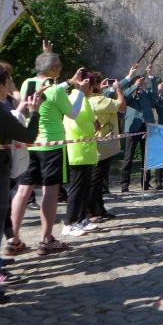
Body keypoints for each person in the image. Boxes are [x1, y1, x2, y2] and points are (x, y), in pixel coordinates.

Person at [0, 62, 42, 302]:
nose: (10, 86)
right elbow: (28, 136)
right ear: (0, 86)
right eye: (8, 82)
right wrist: (35, 112)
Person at [9, 50, 89, 256]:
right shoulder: (55, 90)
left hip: (30, 143)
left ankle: (13, 238)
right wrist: (80, 92)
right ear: (53, 68)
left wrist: (68, 83)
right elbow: (73, 113)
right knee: (50, 192)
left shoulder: (27, 83)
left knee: (23, 191)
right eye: (59, 65)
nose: (61, 68)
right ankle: (46, 239)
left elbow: (48, 91)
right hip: (52, 147)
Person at [61, 73, 100, 237]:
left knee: (84, 188)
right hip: (78, 150)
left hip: (87, 150)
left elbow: (90, 120)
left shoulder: (82, 98)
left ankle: (82, 218)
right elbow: (77, 121)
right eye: (92, 85)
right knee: (77, 189)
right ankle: (69, 222)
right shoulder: (75, 98)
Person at [88, 73, 126, 220]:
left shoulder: (89, 99)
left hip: (97, 145)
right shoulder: (100, 100)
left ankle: (99, 209)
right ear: (96, 85)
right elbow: (121, 105)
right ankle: (91, 211)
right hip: (103, 146)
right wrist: (118, 89)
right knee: (96, 180)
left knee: (98, 180)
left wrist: (100, 89)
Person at [121, 64, 156, 191]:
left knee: (146, 156)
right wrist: (135, 85)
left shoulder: (146, 94)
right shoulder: (130, 93)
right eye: (140, 83)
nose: (142, 85)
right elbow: (124, 97)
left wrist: (151, 77)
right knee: (128, 156)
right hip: (133, 127)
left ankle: (145, 182)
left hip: (146, 126)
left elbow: (154, 97)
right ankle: (124, 184)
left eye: (143, 83)